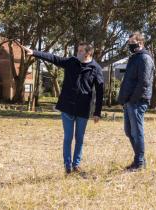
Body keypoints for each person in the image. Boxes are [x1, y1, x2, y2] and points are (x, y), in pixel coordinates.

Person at [22, 42, 104, 174]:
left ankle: (76, 164)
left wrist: (97, 112)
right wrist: (35, 52)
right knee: (68, 137)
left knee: (79, 138)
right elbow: (54, 58)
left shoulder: (96, 69)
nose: (78, 53)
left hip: (83, 109)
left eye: (81, 51)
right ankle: (67, 166)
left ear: (89, 53)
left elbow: (100, 92)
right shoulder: (71, 62)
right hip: (67, 106)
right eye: (78, 50)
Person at [117, 32, 154, 171]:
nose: (130, 45)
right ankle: (140, 160)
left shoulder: (144, 58)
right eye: (129, 43)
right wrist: (124, 100)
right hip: (129, 101)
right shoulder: (134, 58)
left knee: (137, 132)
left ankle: (139, 163)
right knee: (129, 131)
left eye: (133, 42)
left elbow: (143, 82)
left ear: (141, 43)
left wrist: (133, 100)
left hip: (137, 101)